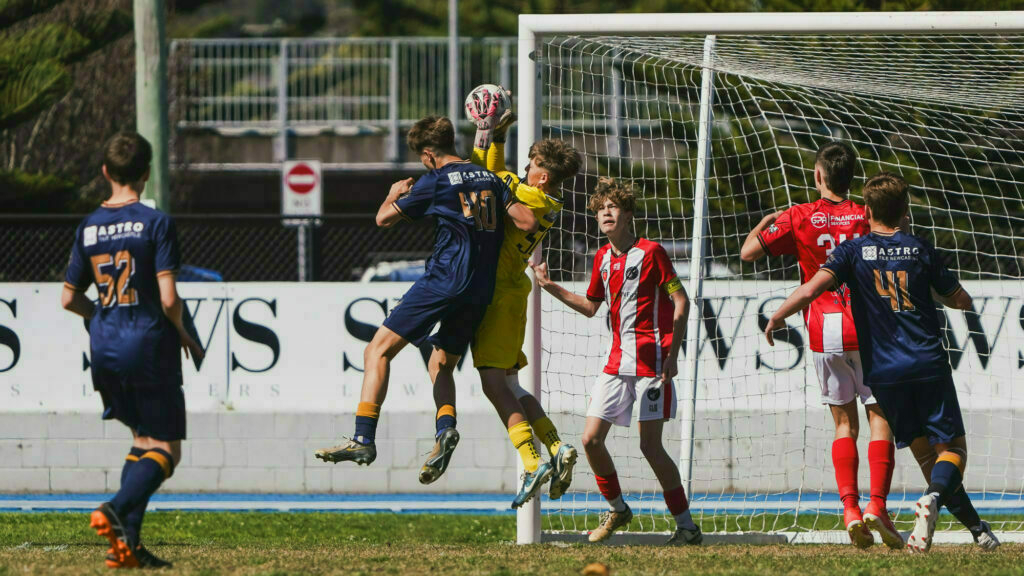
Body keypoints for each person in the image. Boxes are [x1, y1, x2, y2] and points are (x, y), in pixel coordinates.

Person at [765, 172, 999, 553]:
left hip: (885, 374)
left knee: (925, 454)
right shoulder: (922, 249)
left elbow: (811, 288)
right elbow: (961, 301)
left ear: (868, 210)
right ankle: (932, 500)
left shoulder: (852, 252)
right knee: (954, 451)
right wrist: (940, 294)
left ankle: (976, 528)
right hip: (926, 362)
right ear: (905, 211)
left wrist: (778, 315)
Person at [315, 116, 538, 486]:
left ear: (430, 154)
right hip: (480, 289)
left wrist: (393, 193)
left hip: (444, 280)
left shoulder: (434, 181)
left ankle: (362, 438)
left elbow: (383, 219)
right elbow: (528, 221)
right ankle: (444, 430)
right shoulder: (490, 178)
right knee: (441, 364)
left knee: (377, 352)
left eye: (422, 157)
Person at [740, 141, 899, 548]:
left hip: (823, 327)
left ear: (818, 176)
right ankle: (877, 506)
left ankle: (849, 509)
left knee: (843, 423)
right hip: (867, 325)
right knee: (880, 418)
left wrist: (765, 222)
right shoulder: (865, 216)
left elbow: (748, 254)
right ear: (851, 178)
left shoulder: (798, 216)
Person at [62, 131, 204, 568]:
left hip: (104, 345)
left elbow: (69, 298)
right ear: (146, 173)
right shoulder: (155, 222)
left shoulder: (88, 228)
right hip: (147, 341)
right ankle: (115, 507)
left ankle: (127, 547)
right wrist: (183, 331)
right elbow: (167, 298)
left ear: (106, 172)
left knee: (142, 441)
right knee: (168, 449)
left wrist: (101, 317)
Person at [532, 178, 699, 545]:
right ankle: (619, 508)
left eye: (613, 207)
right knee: (590, 440)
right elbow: (592, 307)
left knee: (650, 447)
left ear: (628, 215)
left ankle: (686, 526)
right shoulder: (602, 258)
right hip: (616, 364)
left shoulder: (651, 252)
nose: (605, 212)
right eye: (600, 208)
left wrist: (672, 355)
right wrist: (549, 286)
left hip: (652, 366)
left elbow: (682, 302)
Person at [457, 99, 582, 508]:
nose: (524, 169)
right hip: (515, 291)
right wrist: (499, 134)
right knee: (512, 385)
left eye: (530, 166)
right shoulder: (546, 198)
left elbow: (483, 173)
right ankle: (556, 447)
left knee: (493, 384)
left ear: (542, 177)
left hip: (496, 295)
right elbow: (495, 173)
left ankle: (531, 462)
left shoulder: (527, 193)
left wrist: (487, 131)